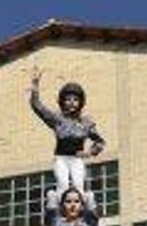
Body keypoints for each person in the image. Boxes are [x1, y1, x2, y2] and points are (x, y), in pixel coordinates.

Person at [29, 67, 106, 196]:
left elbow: (100, 142)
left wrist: (90, 152)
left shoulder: (86, 123)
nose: (72, 103)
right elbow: (37, 106)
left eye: (75, 100)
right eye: (68, 99)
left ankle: (81, 209)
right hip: (61, 158)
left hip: (76, 159)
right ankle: (56, 205)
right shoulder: (57, 119)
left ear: (80, 103)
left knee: (78, 185)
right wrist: (35, 85)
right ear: (63, 102)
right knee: (63, 184)